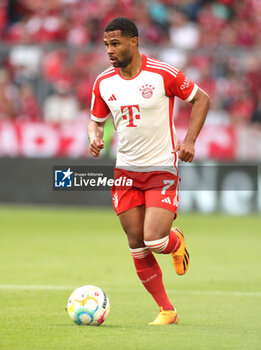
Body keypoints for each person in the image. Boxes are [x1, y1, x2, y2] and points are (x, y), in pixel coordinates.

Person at [88, 17, 210, 325]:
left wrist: (190, 140)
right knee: (136, 243)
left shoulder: (162, 73)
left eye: (115, 44)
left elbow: (201, 99)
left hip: (160, 169)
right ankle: (167, 310)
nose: (109, 51)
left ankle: (176, 241)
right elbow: (96, 120)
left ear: (134, 42)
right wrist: (93, 135)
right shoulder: (103, 82)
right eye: (106, 45)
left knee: (155, 239)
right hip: (125, 173)